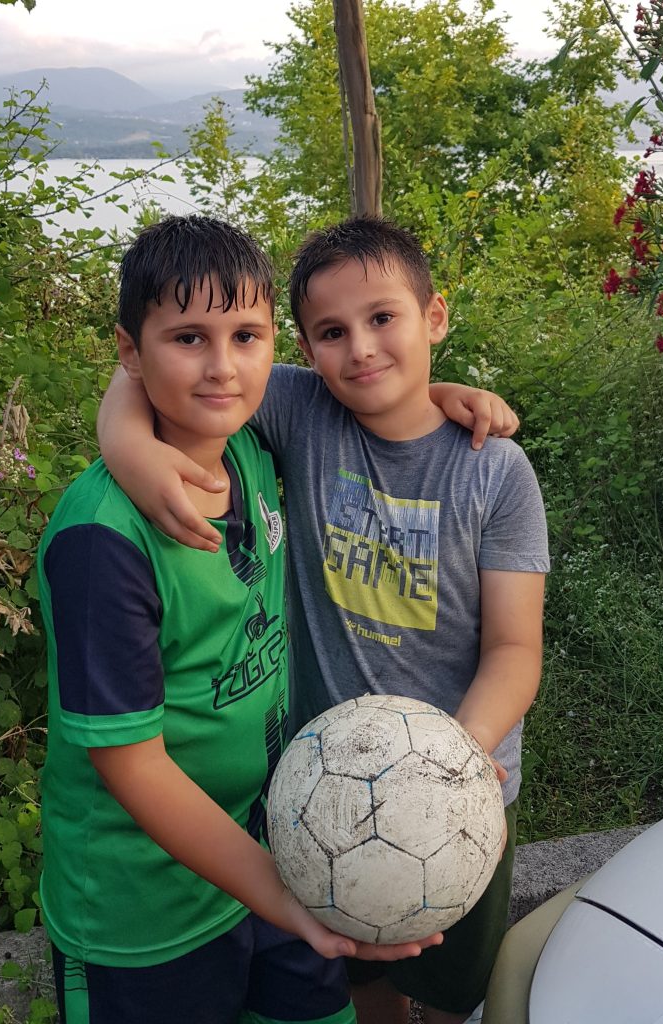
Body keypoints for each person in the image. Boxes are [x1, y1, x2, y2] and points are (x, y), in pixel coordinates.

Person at [98, 217, 549, 1024]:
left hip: (462, 788)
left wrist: (452, 754)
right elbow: (161, 364)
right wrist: (128, 447)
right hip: (325, 793)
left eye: (383, 318)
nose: (361, 349)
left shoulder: (496, 473)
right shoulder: (302, 413)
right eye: (332, 333)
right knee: (362, 978)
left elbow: (514, 647)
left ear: (434, 317)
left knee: (454, 986)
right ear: (304, 350)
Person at [37, 215, 449, 1024]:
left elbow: (378, 392)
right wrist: (281, 895)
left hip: (278, 847)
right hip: (145, 915)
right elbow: (132, 765)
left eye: (246, 337)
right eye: (188, 338)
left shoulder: (252, 448)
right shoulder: (102, 541)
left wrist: (449, 397)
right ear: (130, 352)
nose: (222, 366)